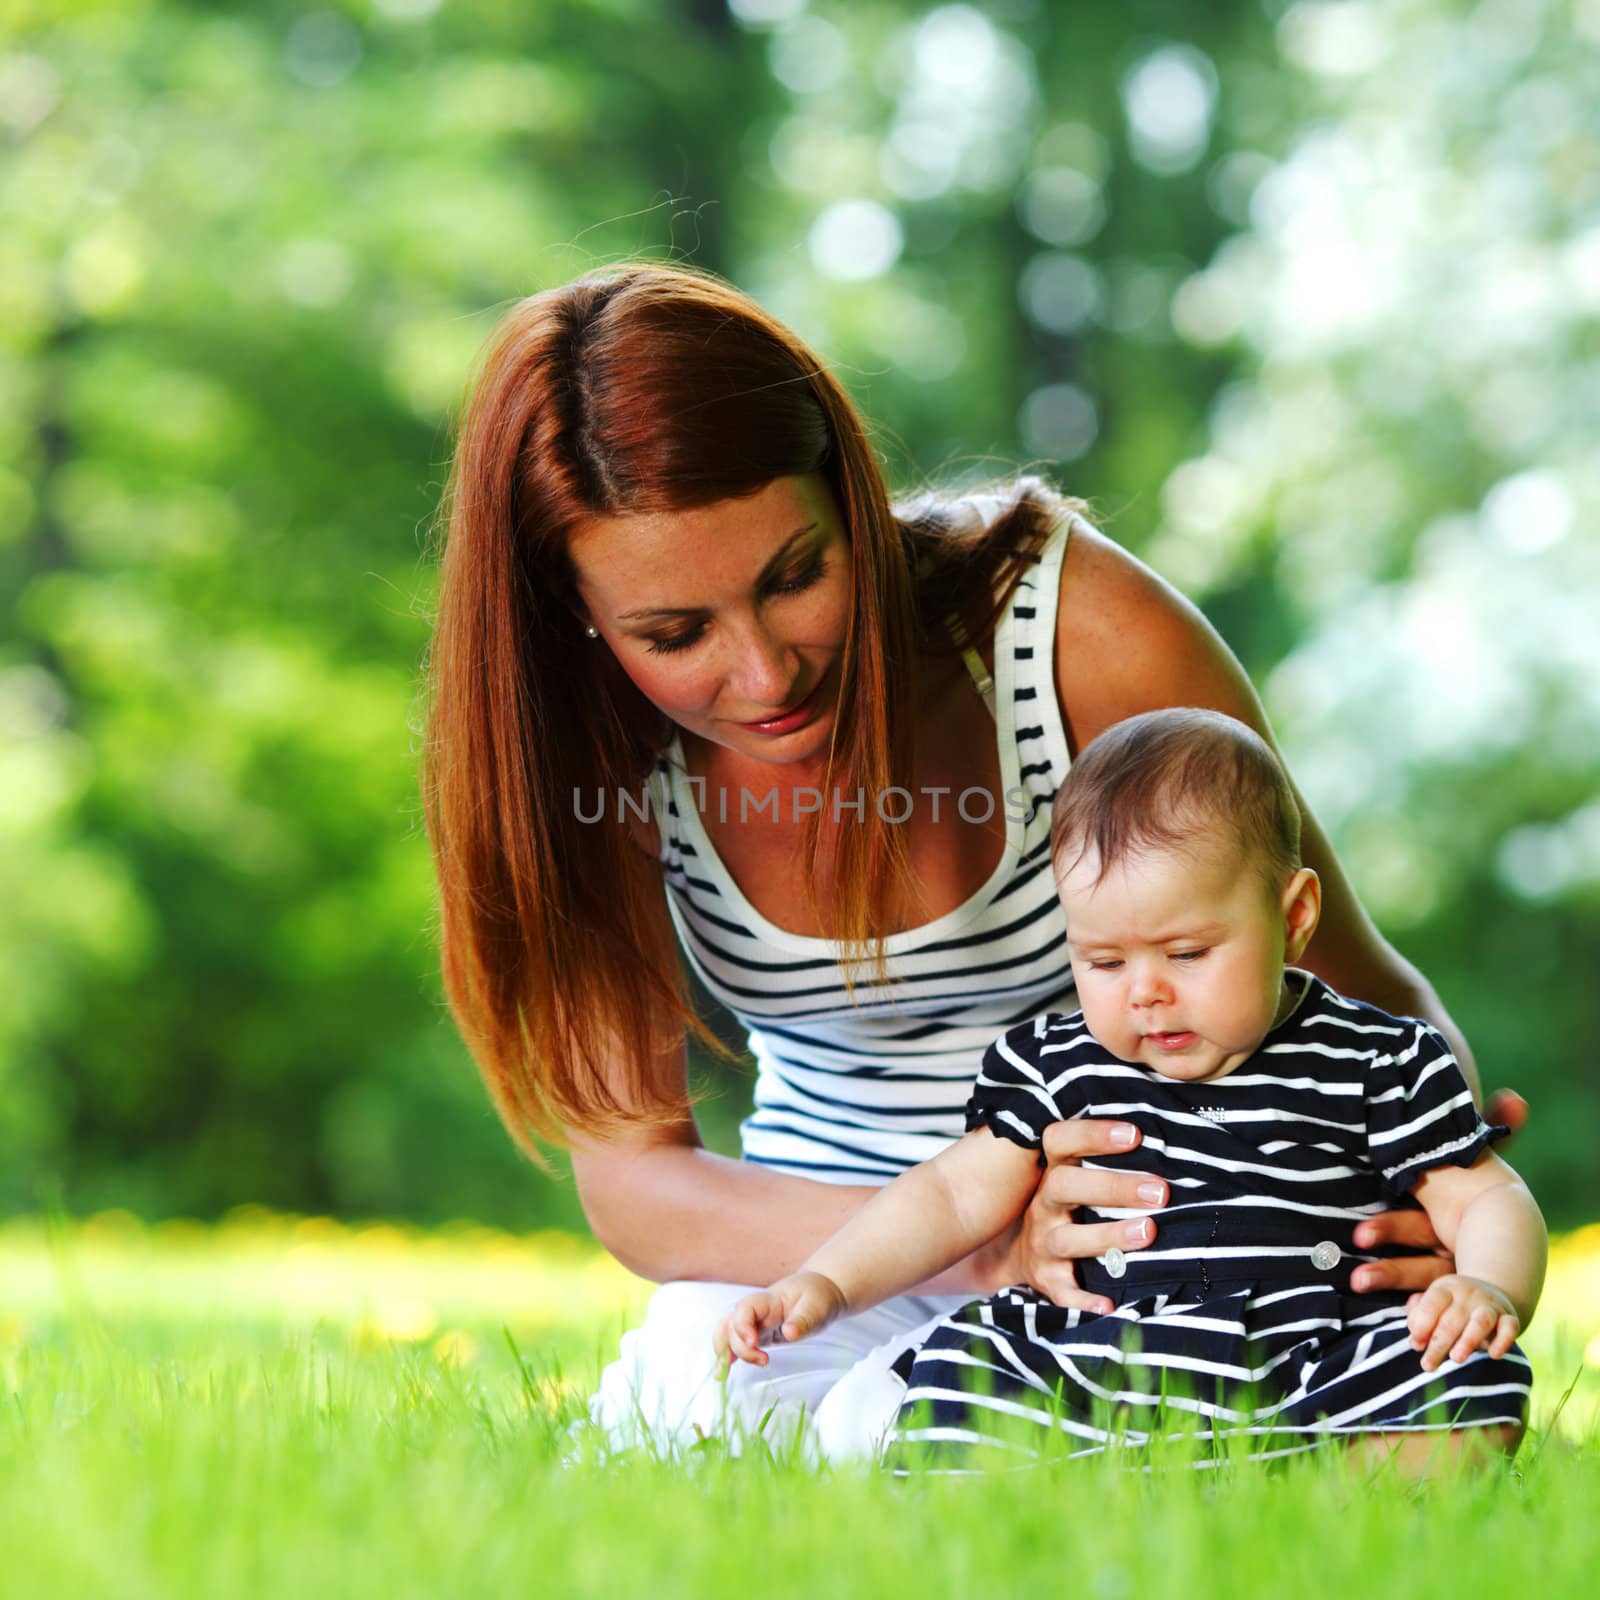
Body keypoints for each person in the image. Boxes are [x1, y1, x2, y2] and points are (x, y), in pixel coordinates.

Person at [421, 262, 1528, 1456]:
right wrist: (985, 1241)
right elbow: (638, 1186)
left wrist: (1429, 1199)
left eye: (796, 576)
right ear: (577, 615)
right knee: (688, 1411)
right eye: (674, 634)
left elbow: (1355, 983)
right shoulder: (591, 753)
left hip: (1153, 1252)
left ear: (849, 494)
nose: (764, 672)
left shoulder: (1073, 636)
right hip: (824, 1246)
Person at [718, 709, 1543, 1472]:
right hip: (1104, 1358)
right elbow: (948, 1195)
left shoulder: (1377, 1057)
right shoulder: (1061, 1064)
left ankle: (1319, 1481)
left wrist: (1488, 1287)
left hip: (1310, 1353)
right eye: (1104, 962)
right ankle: (1113, 1476)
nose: (1144, 992)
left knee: (1477, 1383)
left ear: (1292, 918)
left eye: (1186, 953)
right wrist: (826, 1282)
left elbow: (1485, 1200)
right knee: (937, 1395)